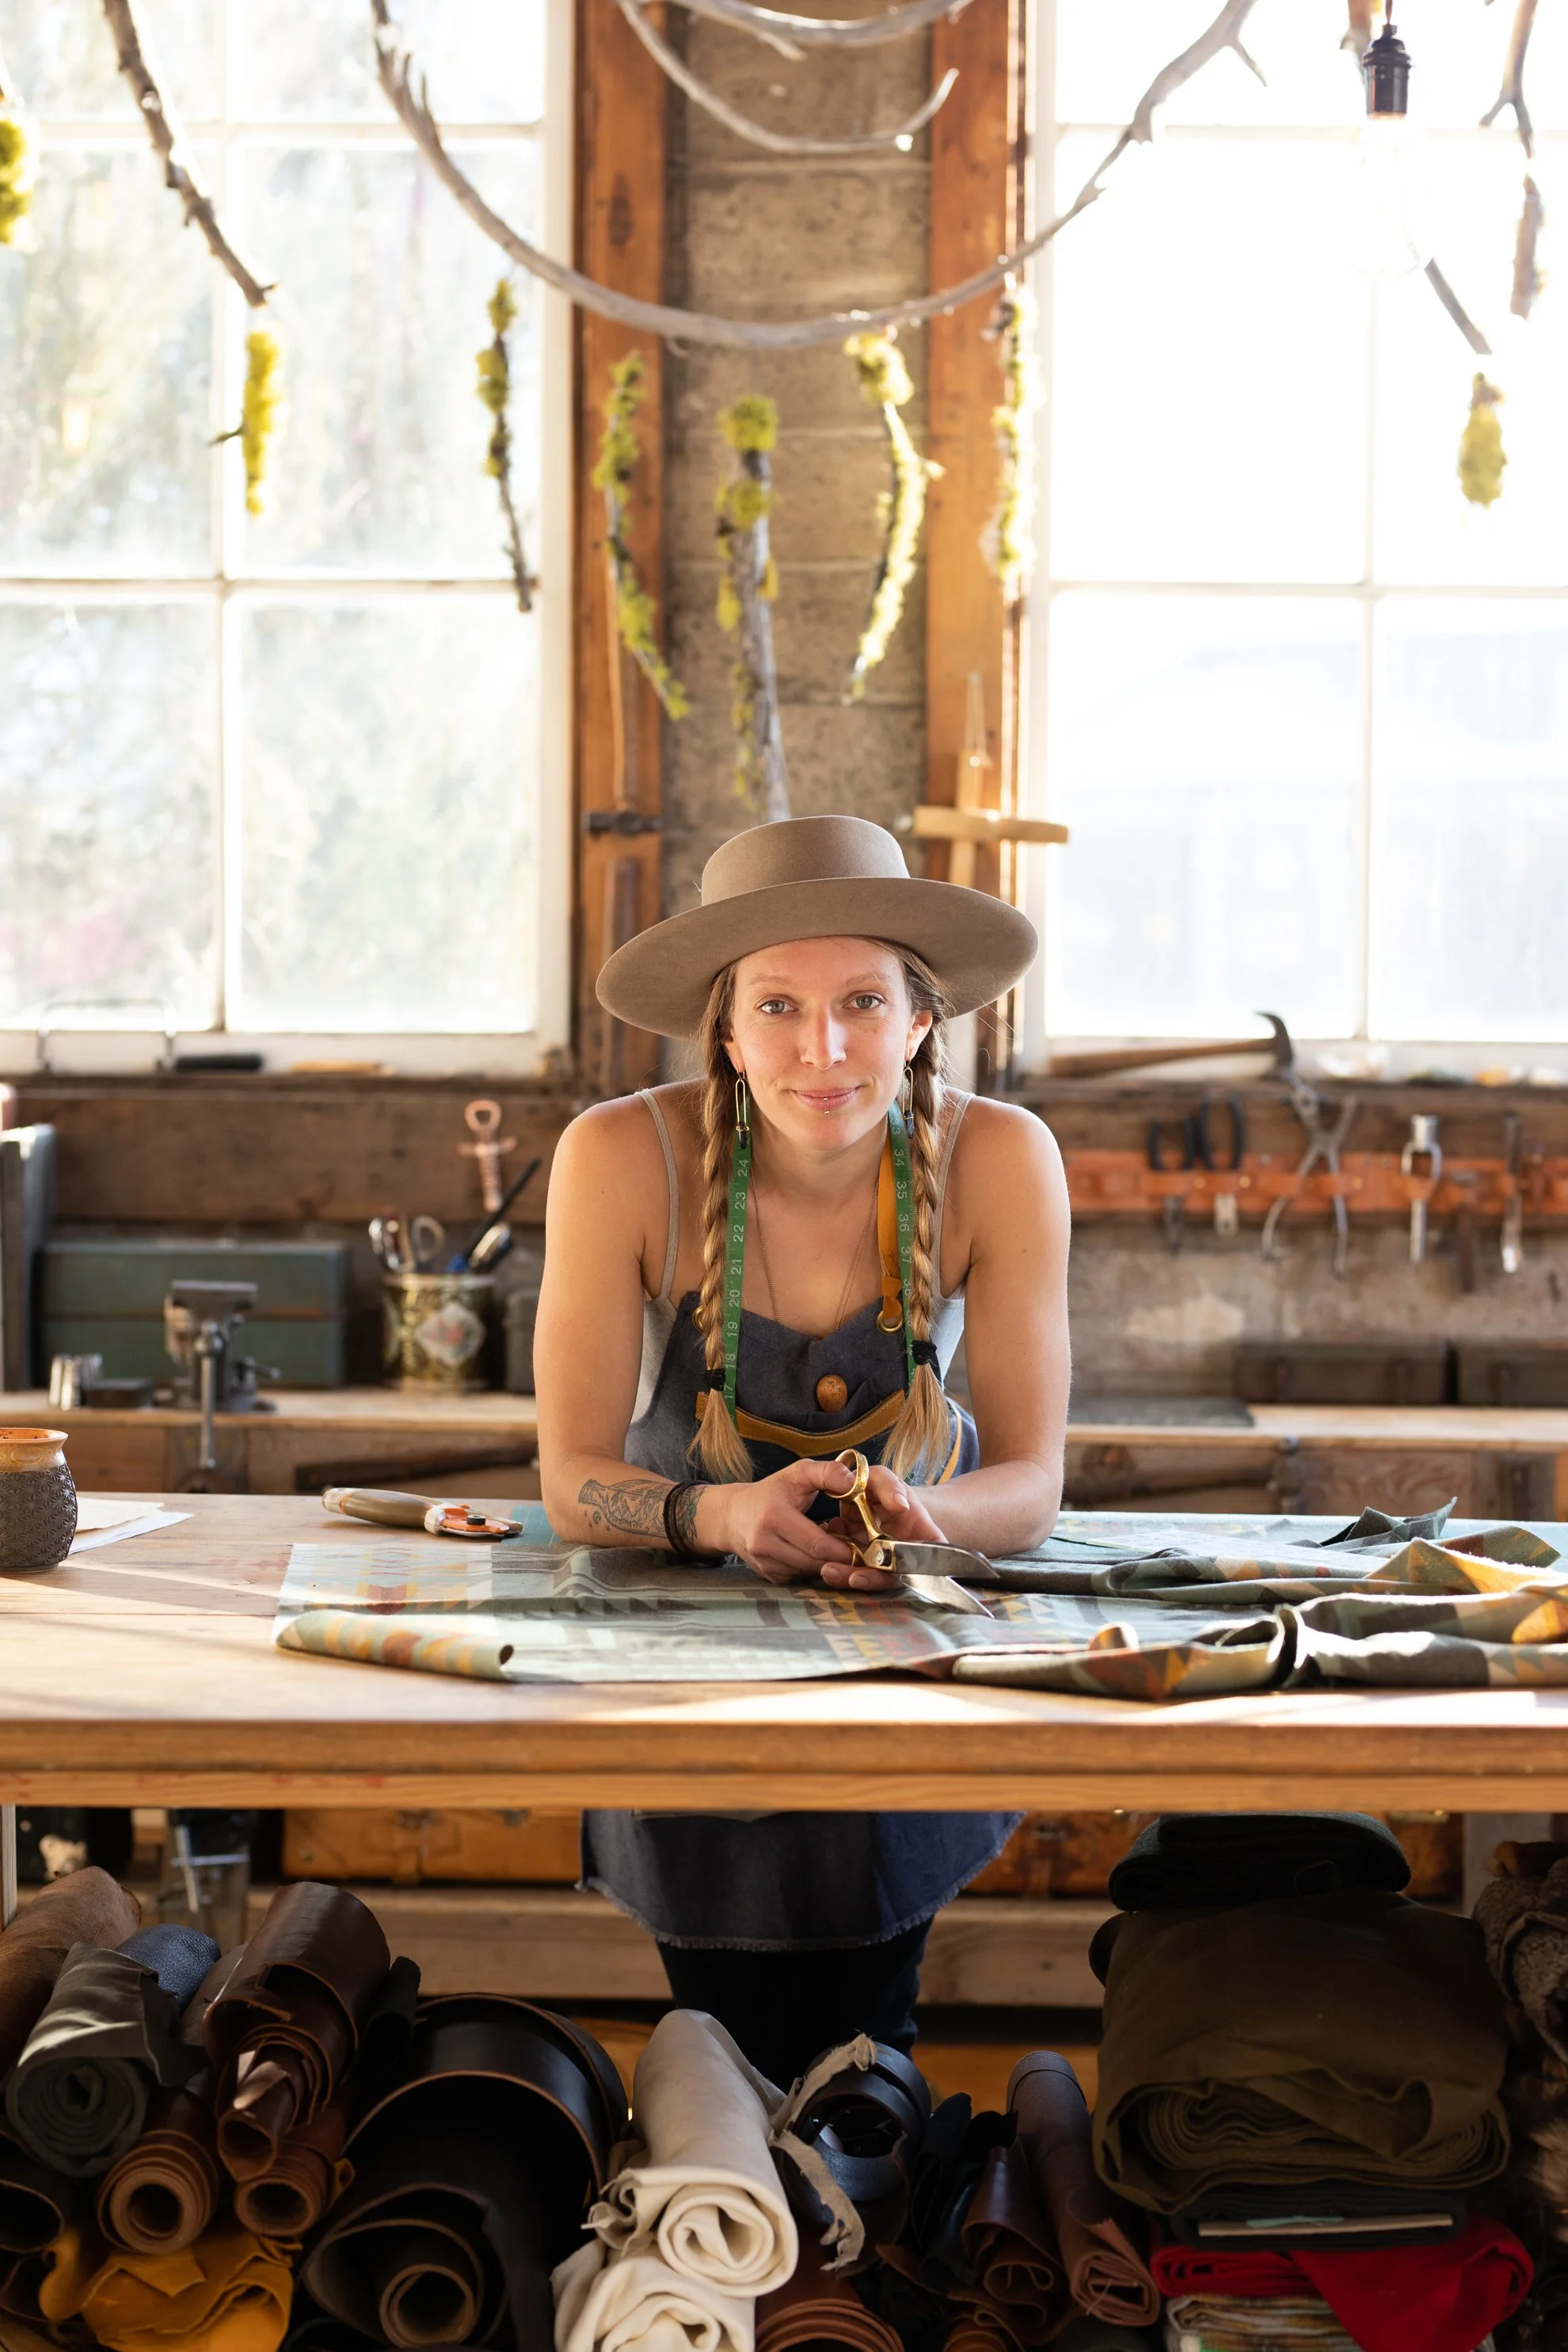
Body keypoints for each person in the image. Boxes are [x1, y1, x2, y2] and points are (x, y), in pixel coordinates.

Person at [535, 814, 1071, 2087]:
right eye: (776, 1005)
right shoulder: (621, 1156)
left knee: (866, 2036)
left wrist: (926, 1520)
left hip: (900, 1655)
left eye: (862, 1003)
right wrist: (718, 1517)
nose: (822, 1049)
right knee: (726, 2037)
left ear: (921, 1020)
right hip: (682, 1668)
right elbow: (570, 1480)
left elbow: (1033, 1485)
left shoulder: (1000, 1159)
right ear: (723, 1028)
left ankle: (833, 2224)